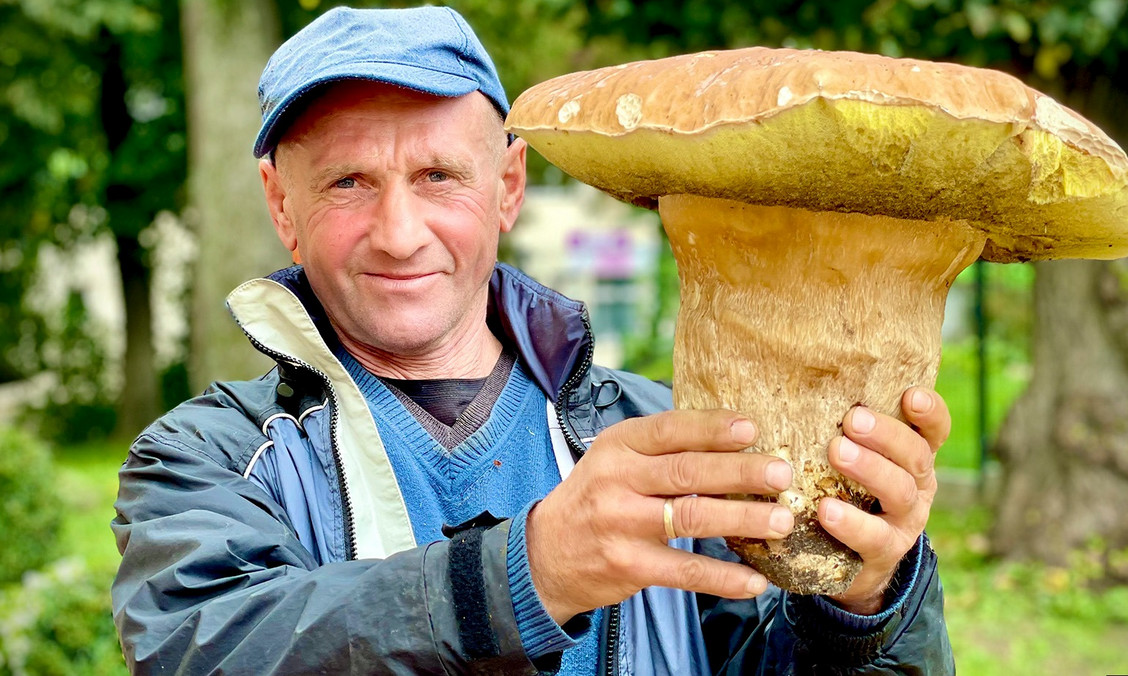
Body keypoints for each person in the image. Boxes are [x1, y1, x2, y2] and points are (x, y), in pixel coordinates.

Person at [111, 6, 953, 675]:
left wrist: (868, 601)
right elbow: (211, 649)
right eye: (348, 182)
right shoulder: (203, 461)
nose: (400, 233)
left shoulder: (674, 442)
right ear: (281, 204)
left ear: (508, 186)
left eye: (439, 176)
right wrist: (527, 573)